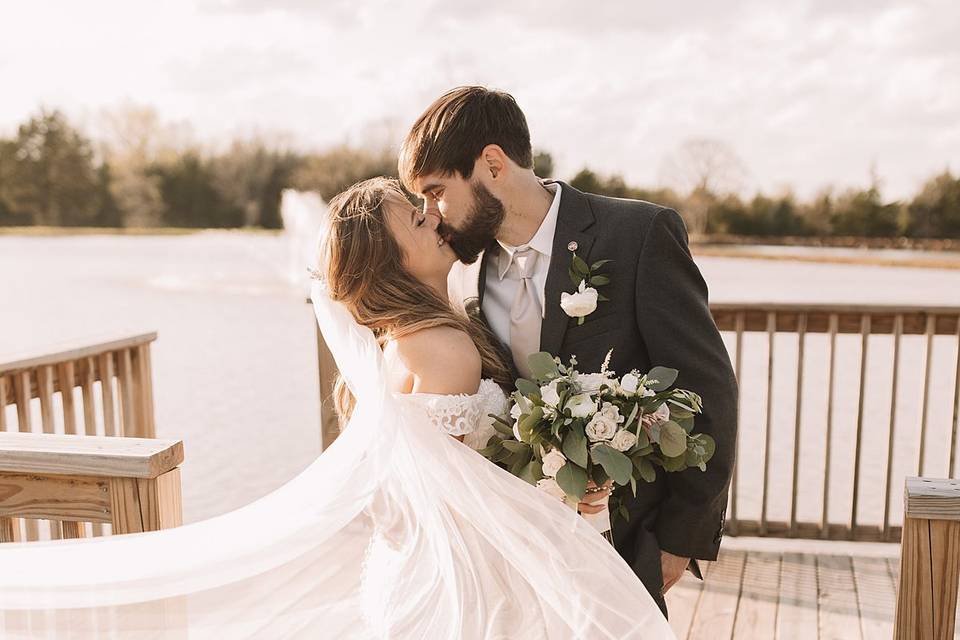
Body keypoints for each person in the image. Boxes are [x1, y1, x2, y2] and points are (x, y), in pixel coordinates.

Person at [0, 177, 676, 639]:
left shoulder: (416, 336)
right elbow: (464, 498)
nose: (435, 218)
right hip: (455, 589)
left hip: (419, 569)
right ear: (388, 260)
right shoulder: (443, 348)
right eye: (418, 219)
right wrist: (570, 501)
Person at [399, 86, 739, 615]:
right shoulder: (461, 270)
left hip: (622, 543)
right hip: (513, 556)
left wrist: (679, 539)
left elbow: (707, 387)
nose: (432, 214)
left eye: (436, 191)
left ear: (491, 164)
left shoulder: (638, 234)